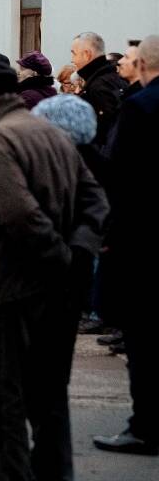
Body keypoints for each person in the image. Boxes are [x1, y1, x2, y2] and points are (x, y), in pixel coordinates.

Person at [0, 62, 109, 481]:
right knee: (49, 397)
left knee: (3, 399)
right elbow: (95, 202)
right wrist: (78, 254)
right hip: (58, 291)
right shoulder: (50, 132)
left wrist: (63, 258)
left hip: (16, 289)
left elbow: (19, 215)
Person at [93, 34, 159, 457]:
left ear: (144, 63)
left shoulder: (141, 108)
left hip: (143, 240)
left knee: (145, 339)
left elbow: (123, 177)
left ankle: (145, 426)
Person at [71, 31, 128, 151]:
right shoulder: (115, 78)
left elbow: (107, 130)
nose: (72, 60)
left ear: (87, 54)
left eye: (74, 54)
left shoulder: (98, 86)